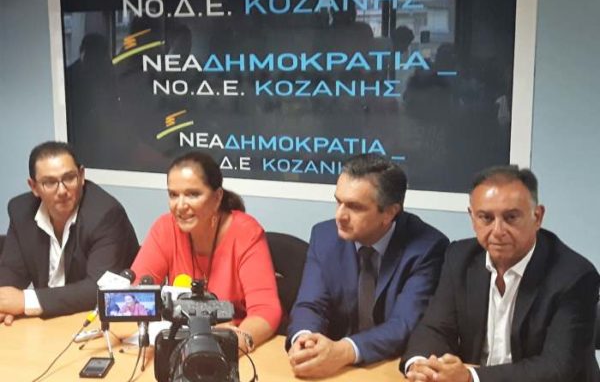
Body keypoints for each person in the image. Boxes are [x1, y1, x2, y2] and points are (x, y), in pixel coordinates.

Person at [401, 165, 600, 382]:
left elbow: (557, 367)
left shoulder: (574, 276)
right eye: (486, 218)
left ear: (537, 217)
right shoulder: (459, 258)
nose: (498, 231)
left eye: (511, 217)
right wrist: (421, 365)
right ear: (472, 217)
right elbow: (435, 328)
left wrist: (471, 377)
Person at [286, 154, 449, 378]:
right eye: (338, 201)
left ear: (390, 212)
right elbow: (310, 305)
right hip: (335, 370)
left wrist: (344, 350)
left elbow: (404, 324)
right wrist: (305, 340)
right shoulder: (324, 236)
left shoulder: (427, 248)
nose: (340, 216)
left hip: (389, 367)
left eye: (355, 207)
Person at [131, 151, 282, 352]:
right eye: (173, 195)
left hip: (232, 349)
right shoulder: (165, 228)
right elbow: (135, 296)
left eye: (192, 194)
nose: (180, 206)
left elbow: (266, 310)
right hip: (181, 346)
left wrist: (234, 341)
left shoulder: (246, 233)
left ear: (217, 197)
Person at [0, 141, 139, 324]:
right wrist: (5, 305)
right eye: (50, 182)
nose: (62, 190)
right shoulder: (21, 211)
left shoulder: (105, 214)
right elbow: (12, 271)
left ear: (81, 176)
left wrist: (25, 301)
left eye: (69, 178)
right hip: (46, 322)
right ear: (34, 187)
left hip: (97, 320)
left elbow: (98, 288)